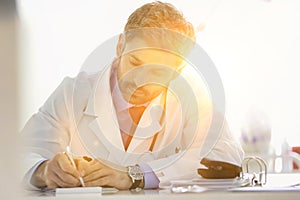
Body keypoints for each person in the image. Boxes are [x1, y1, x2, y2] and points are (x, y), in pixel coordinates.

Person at [21, 1, 243, 190]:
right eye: (135, 62)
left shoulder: (193, 98)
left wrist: (136, 175)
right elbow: (18, 154)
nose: (139, 82)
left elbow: (224, 157)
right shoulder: (74, 92)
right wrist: (43, 171)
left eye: (157, 73)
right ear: (120, 46)